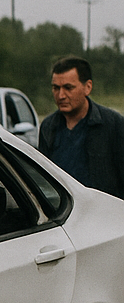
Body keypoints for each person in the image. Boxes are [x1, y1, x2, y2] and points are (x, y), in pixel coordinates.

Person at [39, 56, 124, 198]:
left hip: (100, 213)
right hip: (62, 213)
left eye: (68, 88)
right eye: (56, 88)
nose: (61, 95)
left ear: (87, 87)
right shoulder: (48, 127)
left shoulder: (112, 124)